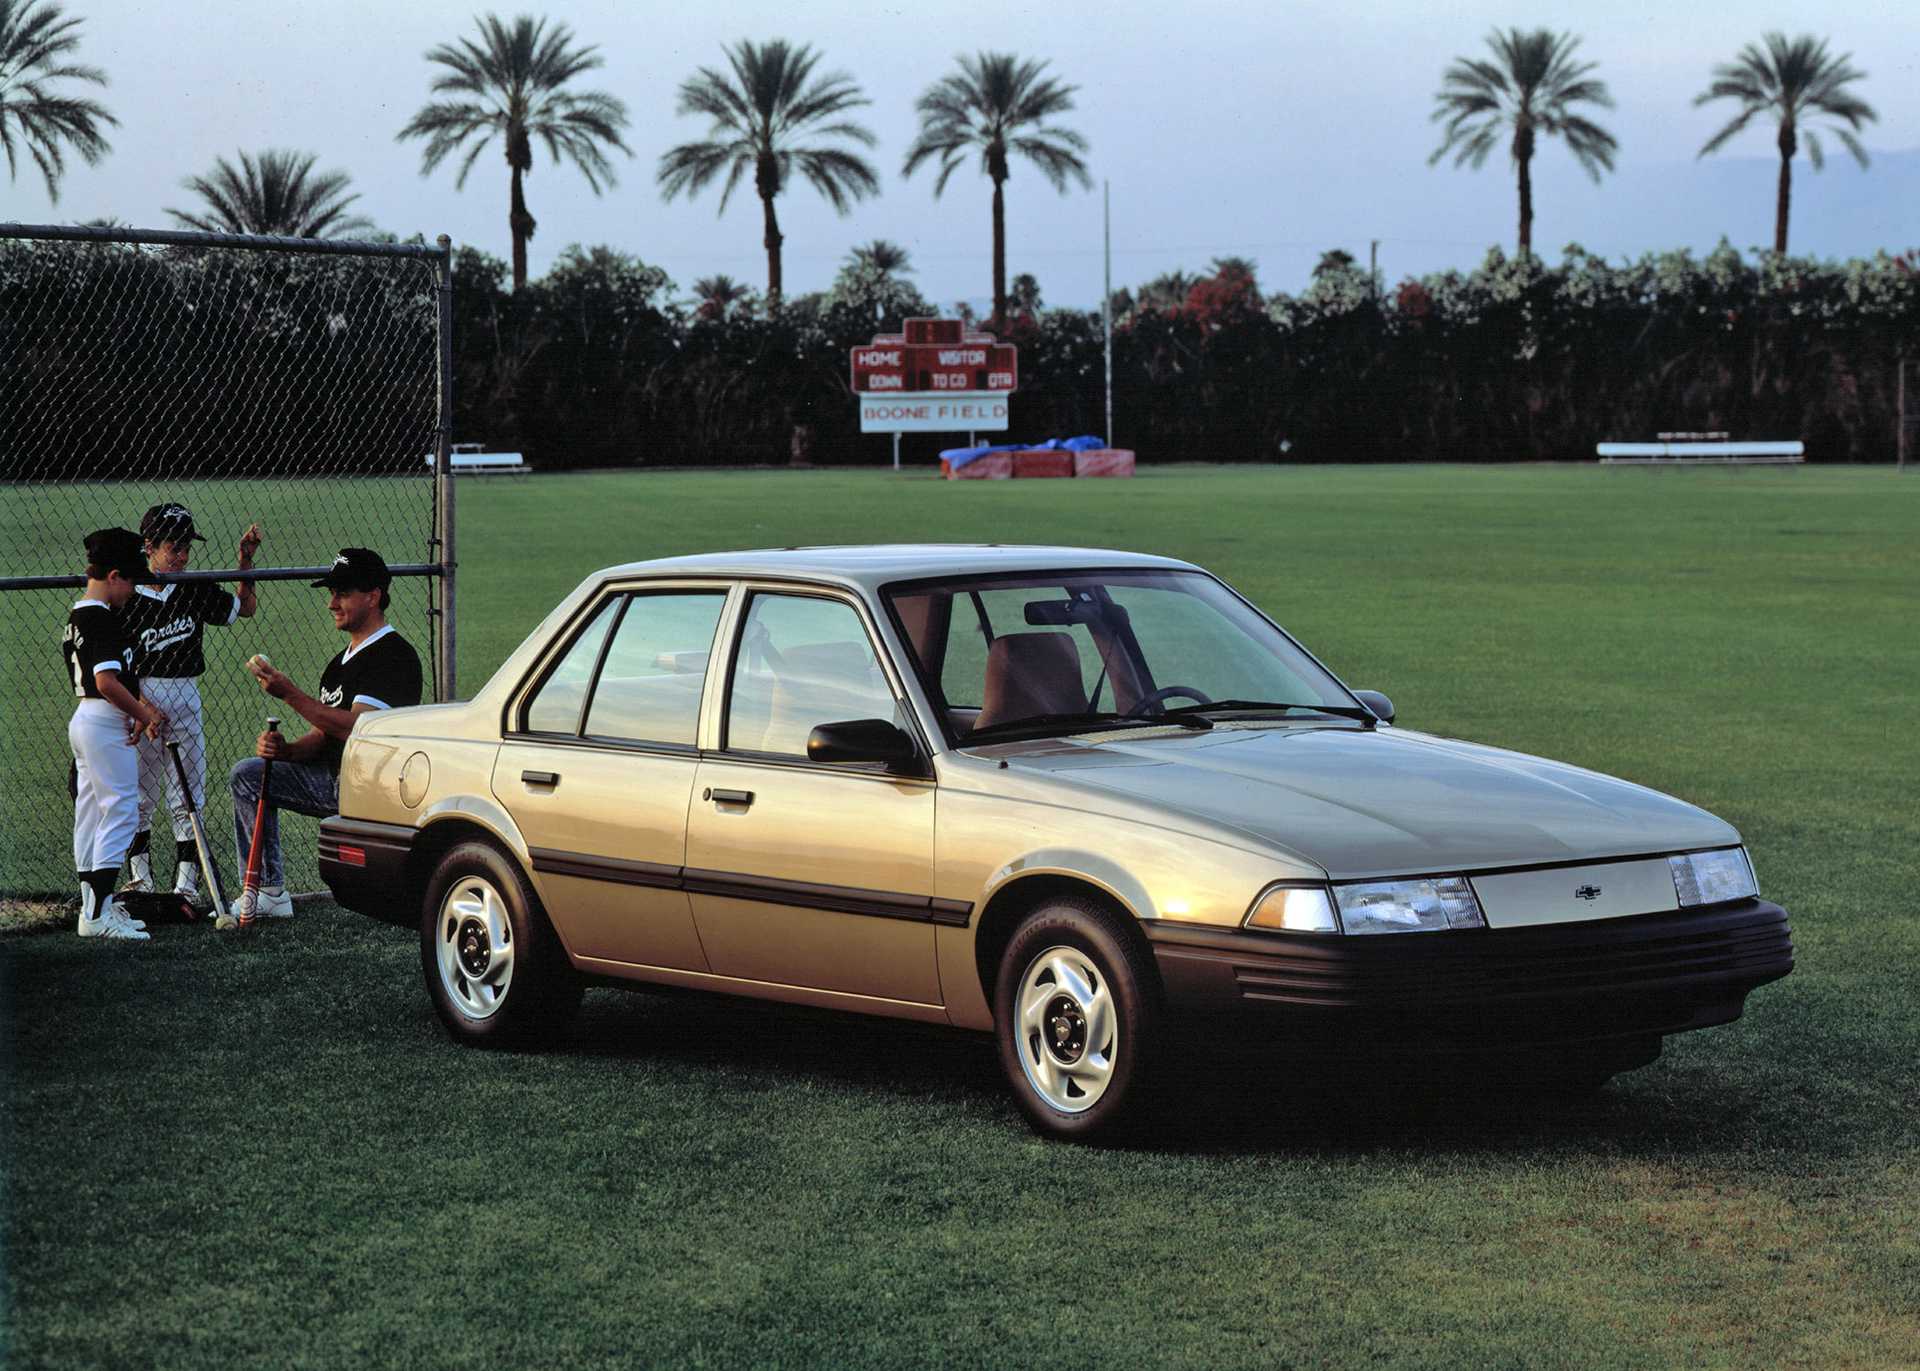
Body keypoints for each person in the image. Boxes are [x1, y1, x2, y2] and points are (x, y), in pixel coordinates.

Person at [228, 548, 422, 922]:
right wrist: (286, 751)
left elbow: (356, 729)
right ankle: (268, 892)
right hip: (332, 781)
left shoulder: (394, 655)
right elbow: (322, 736)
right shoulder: (339, 664)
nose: (332, 602)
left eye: (343, 593)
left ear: (373, 596)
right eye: (331, 593)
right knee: (248, 775)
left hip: (370, 788)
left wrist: (290, 694)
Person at [121, 503, 262, 903]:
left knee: (187, 795)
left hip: (186, 694)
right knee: (140, 794)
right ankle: (140, 879)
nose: (182, 556)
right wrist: (141, 704)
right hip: (140, 698)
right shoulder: (128, 592)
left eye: (186, 547)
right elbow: (116, 658)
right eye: (173, 547)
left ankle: (186, 884)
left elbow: (244, 609)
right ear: (148, 546)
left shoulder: (193, 586)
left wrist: (244, 561)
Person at [66, 528, 169, 941]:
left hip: (90, 720)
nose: (134, 588)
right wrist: (143, 712)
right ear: (113, 575)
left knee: (91, 815)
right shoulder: (100, 617)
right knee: (123, 811)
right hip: (103, 721)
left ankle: (98, 909)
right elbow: (107, 681)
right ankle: (96, 915)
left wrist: (133, 711)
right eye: (131, 579)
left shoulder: (79, 615)